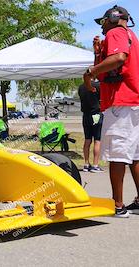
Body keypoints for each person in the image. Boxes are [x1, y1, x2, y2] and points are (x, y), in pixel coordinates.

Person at [83, 5, 139, 217]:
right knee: (134, 156)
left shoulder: (116, 32)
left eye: (103, 22)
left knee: (117, 155)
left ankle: (118, 205)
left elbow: (118, 59)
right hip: (134, 101)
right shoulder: (131, 35)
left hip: (120, 102)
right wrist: (98, 53)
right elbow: (113, 64)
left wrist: (89, 72)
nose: (103, 27)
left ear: (113, 18)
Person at [78, 81, 104, 173]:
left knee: (87, 139)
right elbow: (103, 99)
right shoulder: (98, 85)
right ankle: (95, 165)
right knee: (97, 140)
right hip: (96, 114)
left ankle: (86, 164)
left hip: (86, 115)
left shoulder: (81, 87)